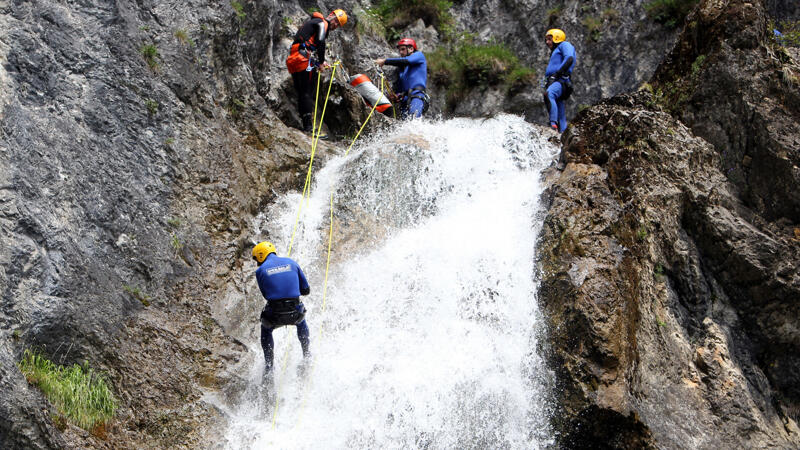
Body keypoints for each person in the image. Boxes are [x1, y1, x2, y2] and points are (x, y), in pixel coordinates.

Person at [251, 241, 311, 379]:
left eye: (256, 259)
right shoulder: (292, 262)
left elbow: (266, 294)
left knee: (266, 329)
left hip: (274, 315)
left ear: (261, 255)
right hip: (295, 312)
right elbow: (306, 290)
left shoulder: (260, 271)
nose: (256, 262)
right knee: (301, 322)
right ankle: (307, 354)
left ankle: (269, 367)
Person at [286, 9, 348, 136]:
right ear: (331, 15)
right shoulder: (322, 23)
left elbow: (310, 43)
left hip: (294, 58)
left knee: (302, 93)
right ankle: (308, 128)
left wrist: (319, 61)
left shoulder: (313, 22)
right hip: (302, 59)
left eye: (338, 24)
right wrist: (320, 62)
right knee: (307, 93)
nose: (335, 25)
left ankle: (306, 125)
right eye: (336, 20)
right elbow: (320, 41)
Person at [375, 38, 430, 119]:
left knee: (414, 119)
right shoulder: (402, 70)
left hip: (417, 95)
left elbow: (407, 60)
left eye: (403, 49)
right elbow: (400, 87)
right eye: (400, 50)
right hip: (405, 99)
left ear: (411, 49)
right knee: (405, 125)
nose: (400, 52)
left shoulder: (419, 55)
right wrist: (397, 96)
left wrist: (385, 61)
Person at [542, 28, 576, 133]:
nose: (547, 42)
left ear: (557, 38)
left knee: (549, 94)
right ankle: (563, 133)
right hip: (556, 80)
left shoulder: (564, 45)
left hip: (561, 80)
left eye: (549, 39)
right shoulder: (555, 51)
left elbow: (569, 58)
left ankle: (553, 125)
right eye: (546, 40)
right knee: (559, 105)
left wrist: (556, 74)